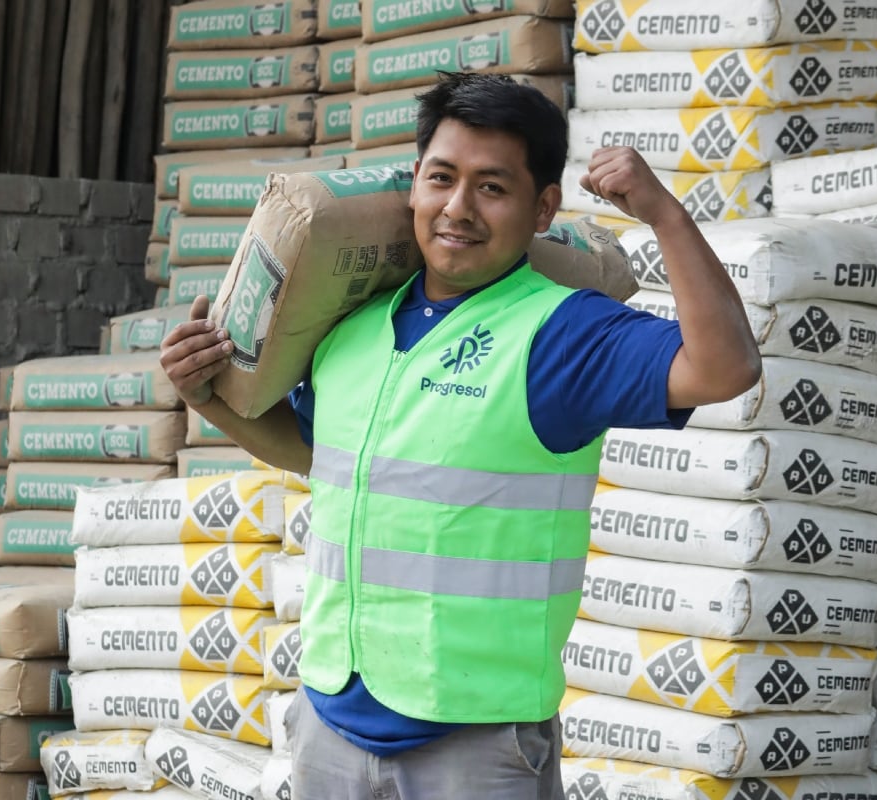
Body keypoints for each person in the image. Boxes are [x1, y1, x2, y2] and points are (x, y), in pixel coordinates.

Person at [161, 72, 761, 800]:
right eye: (442, 179)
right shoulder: (354, 330)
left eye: (492, 188)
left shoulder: (561, 333)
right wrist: (208, 396)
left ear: (544, 209)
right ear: (414, 183)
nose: (458, 208)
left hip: (475, 745)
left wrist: (664, 216)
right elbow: (320, 457)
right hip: (328, 721)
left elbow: (724, 367)